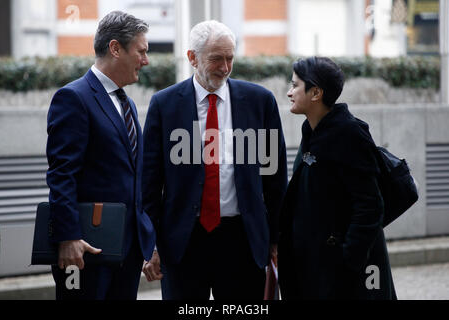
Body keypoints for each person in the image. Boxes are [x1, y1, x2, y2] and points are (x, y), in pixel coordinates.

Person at [141, 20, 288, 300]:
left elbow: (275, 177)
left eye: (230, 58)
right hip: (183, 242)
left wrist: (276, 239)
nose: (224, 67)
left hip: (242, 241)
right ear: (192, 58)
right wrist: (151, 245)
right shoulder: (164, 105)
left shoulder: (260, 102)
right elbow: (149, 183)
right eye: (216, 59)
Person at [46, 11, 155, 300]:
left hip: (126, 252)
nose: (146, 60)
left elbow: (134, 179)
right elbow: (61, 174)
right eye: (141, 52)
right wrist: (68, 237)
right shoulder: (73, 98)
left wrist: (148, 241)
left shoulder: (127, 103)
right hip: (84, 251)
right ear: (115, 48)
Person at [277, 56, 396, 300]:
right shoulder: (312, 129)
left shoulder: (348, 133)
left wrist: (346, 262)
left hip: (339, 275)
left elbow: (370, 206)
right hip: (314, 266)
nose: (289, 93)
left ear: (316, 93)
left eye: (295, 85)